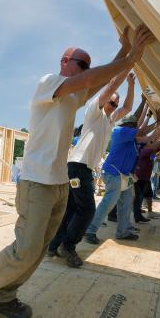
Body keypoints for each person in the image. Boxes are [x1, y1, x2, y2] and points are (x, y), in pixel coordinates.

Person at [0, 25, 155, 318]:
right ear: (64, 62)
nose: (85, 70)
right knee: (25, 250)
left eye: (86, 65)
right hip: (36, 182)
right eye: (81, 63)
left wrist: (127, 53)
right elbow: (92, 79)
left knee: (37, 252)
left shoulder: (74, 97)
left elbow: (107, 83)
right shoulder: (49, 83)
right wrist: (128, 57)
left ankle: (3, 296)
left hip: (58, 183)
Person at [47, 71, 136, 268]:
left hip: (82, 168)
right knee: (87, 210)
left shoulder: (110, 120)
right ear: (104, 101)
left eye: (115, 104)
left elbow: (128, 107)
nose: (113, 106)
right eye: (111, 102)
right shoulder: (94, 112)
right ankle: (68, 246)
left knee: (71, 209)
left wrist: (131, 85)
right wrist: (124, 69)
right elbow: (110, 87)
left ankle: (54, 246)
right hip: (78, 167)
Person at [84, 101, 160, 244]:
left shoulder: (131, 138)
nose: (135, 127)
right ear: (128, 126)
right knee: (108, 202)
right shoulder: (120, 132)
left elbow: (148, 136)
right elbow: (143, 131)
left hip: (124, 176)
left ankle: (123, 231)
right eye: (133, 125)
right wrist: (157, 125)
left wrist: (158, 126)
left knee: (126, 203)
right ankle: (90, 230)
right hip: (113, 173)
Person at [133, 133, 160, 221]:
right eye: (150, 143)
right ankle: (138, 215)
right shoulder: (144, 151)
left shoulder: (146, 151)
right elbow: (155, 148)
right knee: (139, 197)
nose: (151, 144)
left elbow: (157, 149)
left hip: (145, 177)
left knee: (148, 195)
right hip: (141, 177)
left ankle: (148, 212)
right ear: (146, 145)